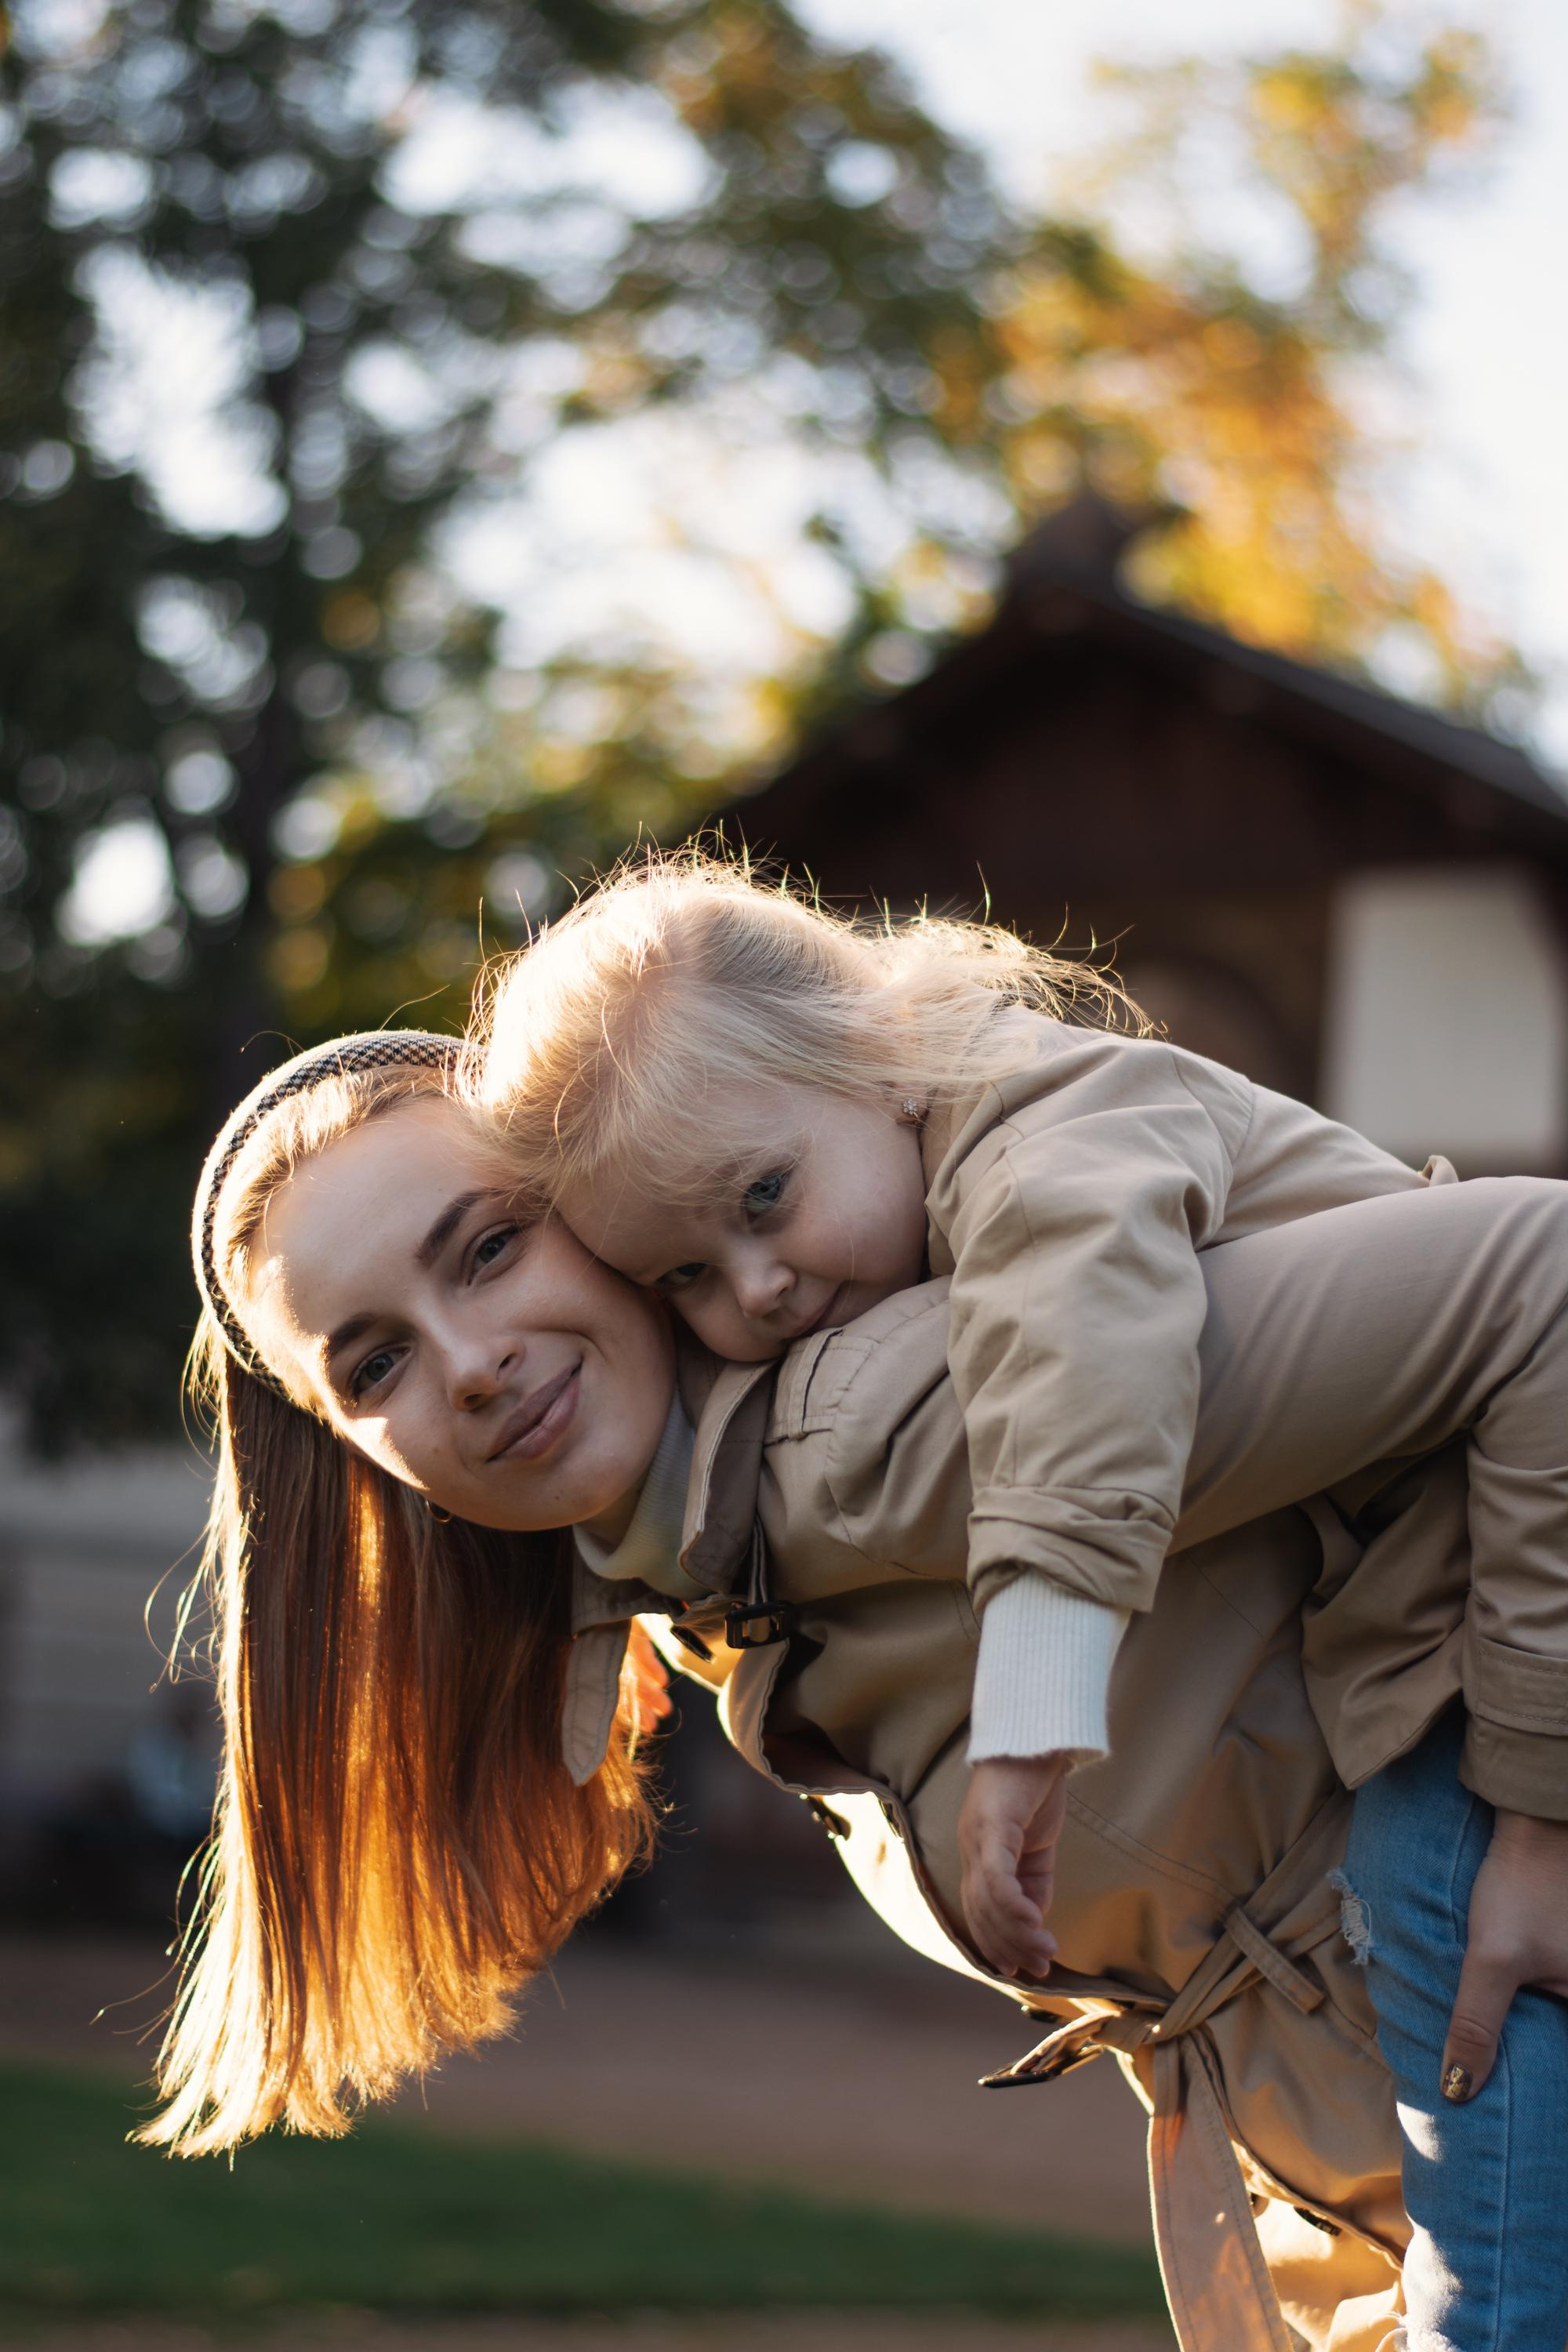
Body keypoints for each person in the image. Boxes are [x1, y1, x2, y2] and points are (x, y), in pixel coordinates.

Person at [159, 1031, 1568, 2350]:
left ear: (602, 1205)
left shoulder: (887, 1424)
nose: (467, 1368)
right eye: (377, 1362)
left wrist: (1540, 1809)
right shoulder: (708, 1573)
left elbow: (1539, 1278)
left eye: (488, 1249)